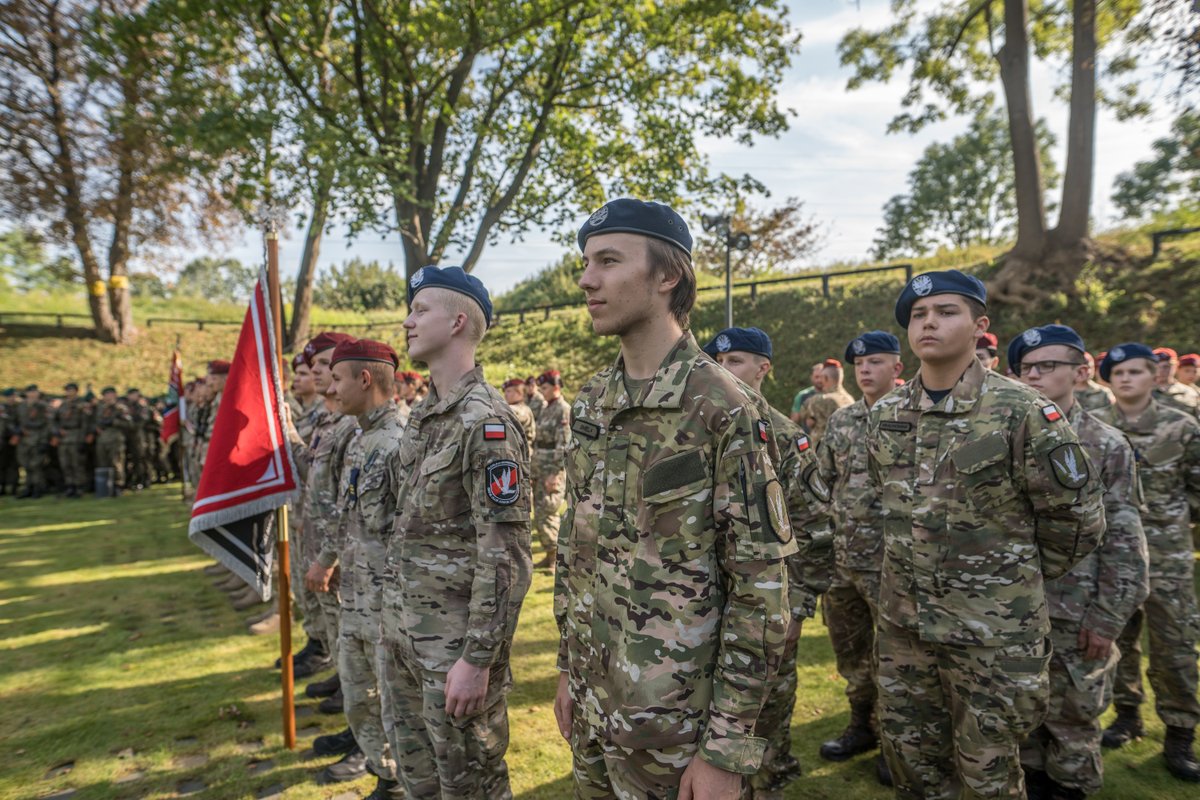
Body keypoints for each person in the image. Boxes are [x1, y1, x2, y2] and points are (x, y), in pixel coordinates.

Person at [555, 199, 795, 799]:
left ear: (668, 277)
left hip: (678, 727)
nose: (587, 279)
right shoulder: (593, 402)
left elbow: (761, 589)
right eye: (587, 262)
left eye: (608, 261)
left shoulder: (724, 408)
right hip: (593, 706)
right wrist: (568, 670)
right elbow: (576, 550)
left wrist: (727, 748)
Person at [866, 269, 1106, 799]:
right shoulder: (885, 415)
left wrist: (1009, 580)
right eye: (919, 315)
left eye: (946, 311)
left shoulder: (1023, 411)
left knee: (989, 775)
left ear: (980, 325)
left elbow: (1078, 521)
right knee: (913, 770)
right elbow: (884, 510)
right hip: (905, 630)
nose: (929, 322)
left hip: (993, 635)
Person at [378, 265, 532, 799]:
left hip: (453, 653)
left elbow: (506, 554)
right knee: (419, 781)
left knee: (470, 787)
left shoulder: (485, 422)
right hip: (404, 634)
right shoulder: (425, 416)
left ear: (458, 320)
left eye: (421, 310)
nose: (407, 321)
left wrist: (478, 657)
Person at [1008, 325, 1150, 800]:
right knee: (1020, 724)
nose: (1034, 376)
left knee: (1072, 727)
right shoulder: (1000, 438)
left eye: (1047, 366)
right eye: (1025, 368)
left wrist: (1108, 618)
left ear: (1081, 371)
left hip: (1077, 613)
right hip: (1010, 611)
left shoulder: (1105, 444)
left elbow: (1126, 542)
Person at [703, 325, 835, 800]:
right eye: (716, 359)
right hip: (702, 608)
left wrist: (796, 606)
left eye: (736, 360)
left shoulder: (784, 436)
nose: (723, 369)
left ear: (764, 369)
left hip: (768, 612)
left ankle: (770, 783)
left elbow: (816, 529)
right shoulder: (693, 429)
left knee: (766, 719)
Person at [1095, 344, 1200, 782]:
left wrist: (1168, 524)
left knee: (1175, 644)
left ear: (1155, 376)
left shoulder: (1182, 428)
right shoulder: (1097, 429)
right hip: (1113, 556)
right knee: (1119, 641)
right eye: (1117, 372)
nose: (1125, 378)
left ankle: (1179, 734)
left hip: (1166, 556)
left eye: (1135, 371)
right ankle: (1128, 716)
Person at [817, 330, 904, 785]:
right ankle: (861, 726)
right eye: (860, 364)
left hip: (892, 565)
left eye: (875, 362)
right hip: (843, 562)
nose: (865, 370)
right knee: (851, 654)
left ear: (897, 368)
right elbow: (823, 484)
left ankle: (896, 742)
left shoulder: (917, 416)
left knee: (895, 657)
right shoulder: (843, 420)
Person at [326, 337, 406, 799]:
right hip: (355, 597)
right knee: (359, 698)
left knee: (392, 705)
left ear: (364, 378)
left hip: (386, 607)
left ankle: (397, 782)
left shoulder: (399, 443)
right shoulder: (362, 439)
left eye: (337, 379)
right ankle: (384, 774)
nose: (332, 390)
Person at [287, 332, 360, 766]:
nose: (324, 380)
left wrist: (330, 557)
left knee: (358, 658)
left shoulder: (355, 426)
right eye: (319, 372)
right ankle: (358, 726)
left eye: (329, 370)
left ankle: (366, 741)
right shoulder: (332, 421)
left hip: (346, 561)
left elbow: (348, 505)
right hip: (323, 546)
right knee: (345, 648)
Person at [532, 370, 571, 570]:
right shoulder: (548, 408)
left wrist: (555, 473)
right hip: (540, 468)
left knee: (548, 511)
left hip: (551, 471)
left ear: (556, 388)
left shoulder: (562, 410)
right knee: (540, 513)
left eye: (545, 388)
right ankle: (549, 555)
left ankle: (557, 557)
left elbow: (563, 444)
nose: (542, 392)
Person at [801, 359, 854, 442]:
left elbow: (809, 423)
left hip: (822, 451)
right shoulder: (850, 400)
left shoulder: (820, 400)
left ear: (826, 378)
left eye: (821, 377)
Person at [93, 387, 133, 496]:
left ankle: (118, 485)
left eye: (111, 394)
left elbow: (129, 424)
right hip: (102, 439)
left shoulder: (121, 409)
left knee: (116, 463)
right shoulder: (100, 409)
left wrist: (114, 422)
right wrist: (97, 428)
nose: (109, 397)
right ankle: (105, 487)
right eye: (106, 395)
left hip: (115, 438)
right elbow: (95, 422)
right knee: (103, 463)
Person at [54, 383, 90, 498]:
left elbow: (85, 423)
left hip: (76, 435)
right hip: (64, 437)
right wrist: (58, 430)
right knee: (65, 463)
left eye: (71, 390)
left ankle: (79, 487)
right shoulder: (62, 405)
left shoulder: (82, 405)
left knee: (77, 464)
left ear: (76, 391)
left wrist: (82, 439)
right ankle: (70, 486)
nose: (69, 392)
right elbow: (54, 420)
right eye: (67, 390)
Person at [14, 384, 50, 498]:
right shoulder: (21, 406)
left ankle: (37, 488)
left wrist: (44, 441)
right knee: (25, 465)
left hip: (37, 439)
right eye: (30, 392)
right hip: (24, 440)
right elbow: (15, 421)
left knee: (36, 466)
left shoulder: (43, 406)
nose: (33, 394)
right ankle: (28, 487)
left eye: (35, 392)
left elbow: (47, 425)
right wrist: (17, 431)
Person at [1152, 347, 1200, 418]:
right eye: (1157, 367)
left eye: (1166, 366)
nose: (1161, 371)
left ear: (1175, 367)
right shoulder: (1141, 392)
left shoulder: (1190, 393)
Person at [501, 378, 537, 460]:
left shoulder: (520, 410)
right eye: (505, 391)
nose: (505, 394)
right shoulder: (514, 408)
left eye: (509, 391)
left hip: (521, 454)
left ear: (519, 393)